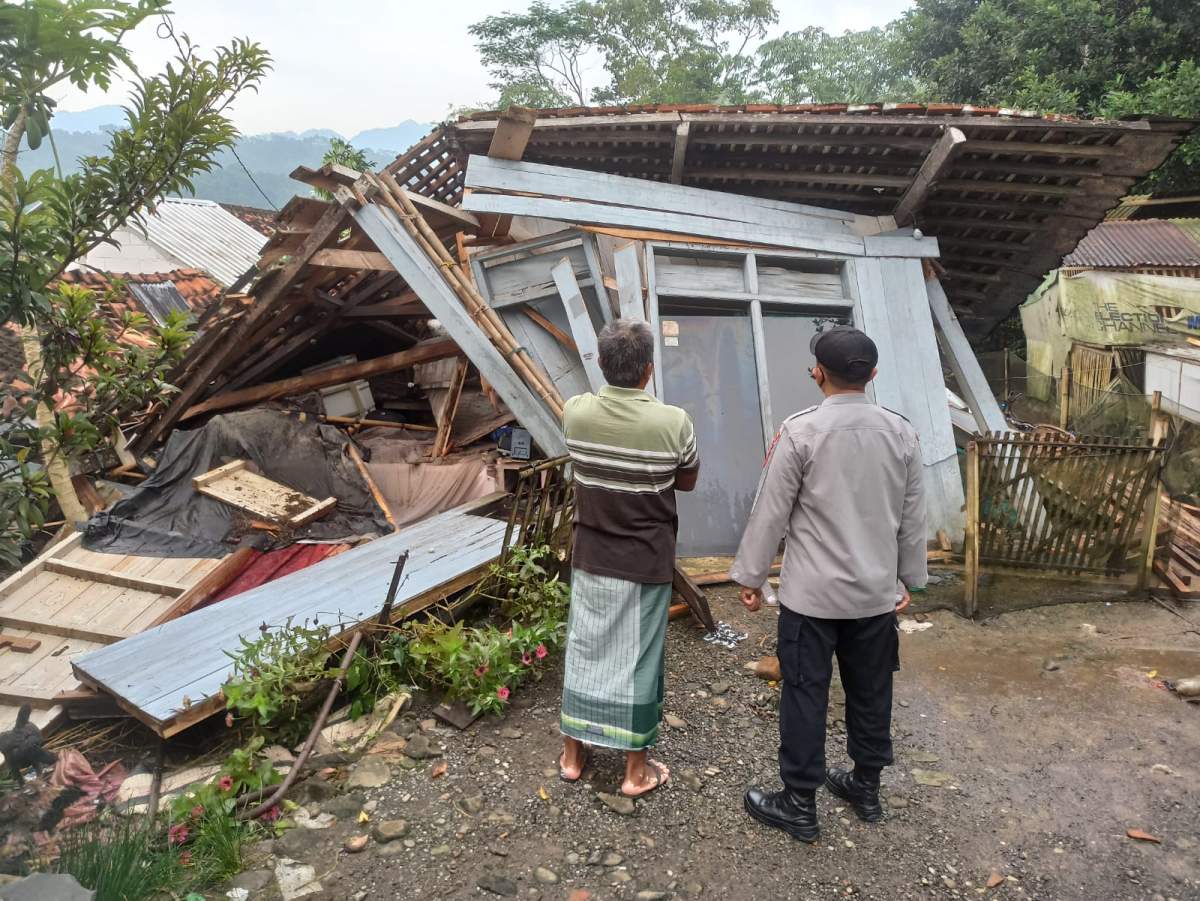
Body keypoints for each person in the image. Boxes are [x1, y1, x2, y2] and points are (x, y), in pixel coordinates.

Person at [731, 325, 927, 843]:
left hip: (810, 599)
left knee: (804, 693)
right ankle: (865, 787)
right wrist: (910, 578)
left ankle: (799, 804)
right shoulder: (902, 433)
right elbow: (912, 516)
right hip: (873, 596)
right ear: (873, 375)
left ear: (817, 373)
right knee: (871, 690)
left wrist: (750, 577)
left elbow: (769, 511)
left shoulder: (800, 432)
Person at [558, 318, 699, 798]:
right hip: (645, 558)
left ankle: (573, 756)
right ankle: (634, 772)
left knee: (585, 647)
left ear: (601, 364)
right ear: (648, 370)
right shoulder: (673, 422)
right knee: (640, 659)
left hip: (592, 552)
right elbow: (687, 479)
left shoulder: (575, 412)